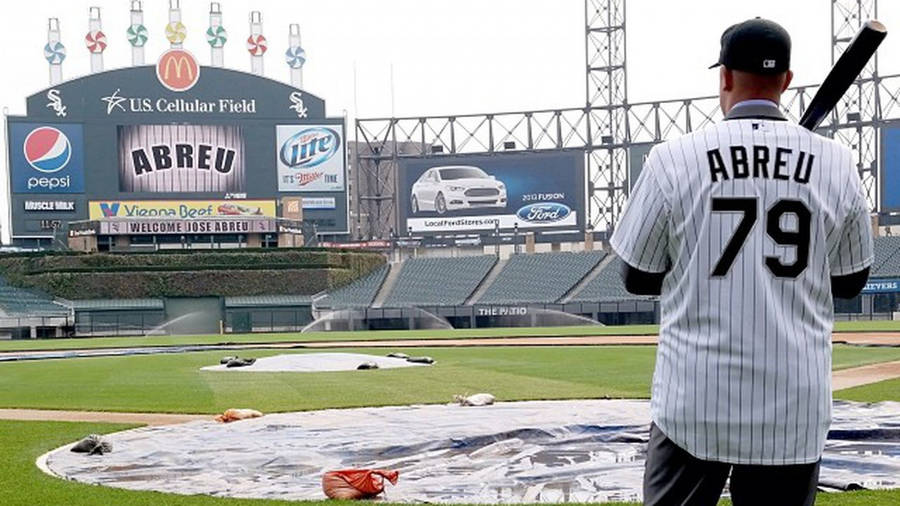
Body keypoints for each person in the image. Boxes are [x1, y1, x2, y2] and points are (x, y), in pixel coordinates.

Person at [610, 17, 874, 506]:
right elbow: (851, 281)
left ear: (724, 77)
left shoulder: (673, 159)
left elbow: (636, 275)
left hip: (693, 402)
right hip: (792, 407)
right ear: (787, 82)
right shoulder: (837, 164)